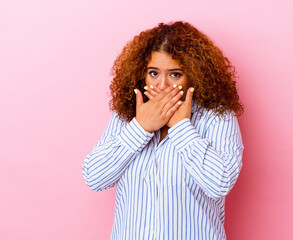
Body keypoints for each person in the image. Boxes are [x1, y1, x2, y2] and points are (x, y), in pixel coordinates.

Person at [82, 21, 245, 240]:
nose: (162, 85)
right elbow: (94, 177)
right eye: (154, 73)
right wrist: (141, 128)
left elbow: (220, 183)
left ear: (194, 75)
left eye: (175, 74)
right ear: (143, 74)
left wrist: (181, 128)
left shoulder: (217, 117)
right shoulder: (128, 116)